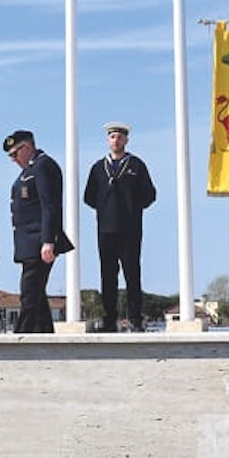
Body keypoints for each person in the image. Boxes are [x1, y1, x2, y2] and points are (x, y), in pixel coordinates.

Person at [82, 121, 158, 332]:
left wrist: (132, 208)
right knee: (108, 275)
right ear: (108, 140)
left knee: (132, 274)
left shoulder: (136, 166)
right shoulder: (98, 168)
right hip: (106, 228)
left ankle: (135, 318)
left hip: (130, 229)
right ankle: (109, 319)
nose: (116, 141)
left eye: (120, 137)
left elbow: (150, 195)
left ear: (126, 140)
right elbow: (88, 197)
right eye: (112, 137)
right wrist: (106, 208)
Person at [4, 129, 63, 333]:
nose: (13, 159)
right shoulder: (29, 170)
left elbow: (49, 206)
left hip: (39, 241)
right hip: (29, 243)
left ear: (27, 147)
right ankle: (45, 335)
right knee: (37, 295)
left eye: (14, 154)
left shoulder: (42, 166)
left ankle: (21, 337)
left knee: (29, 294)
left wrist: (48, 241)